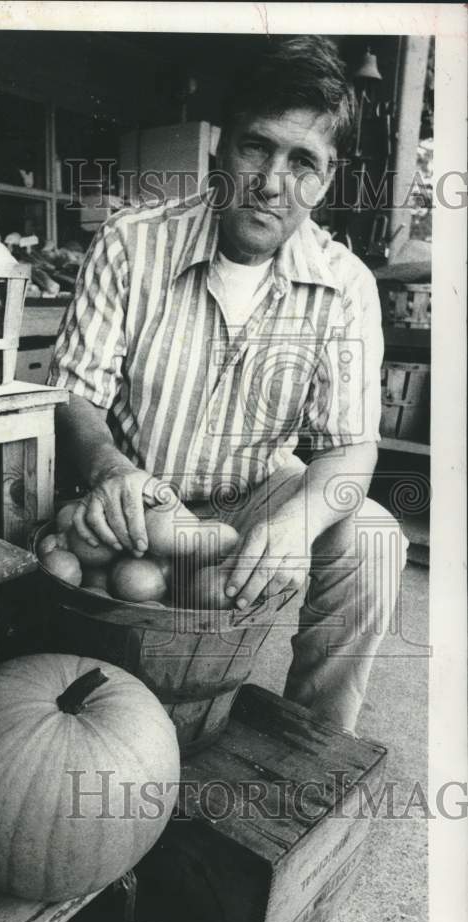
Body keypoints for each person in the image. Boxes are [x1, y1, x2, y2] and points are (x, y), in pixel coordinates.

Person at [47, 36, 407, 734]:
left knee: (370, 541)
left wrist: (296, 524)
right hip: (135, 497)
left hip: (251, 497)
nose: (271, 181)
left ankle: (313, 742)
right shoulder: (131, 242)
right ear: (220, 148)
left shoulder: (343, 286)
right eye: (256, 147)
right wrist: (111, 471)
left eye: (302, 161)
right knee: (120, 682)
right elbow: (75, 395)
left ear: (325, 180)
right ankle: (90, 724)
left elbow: (347, 450)